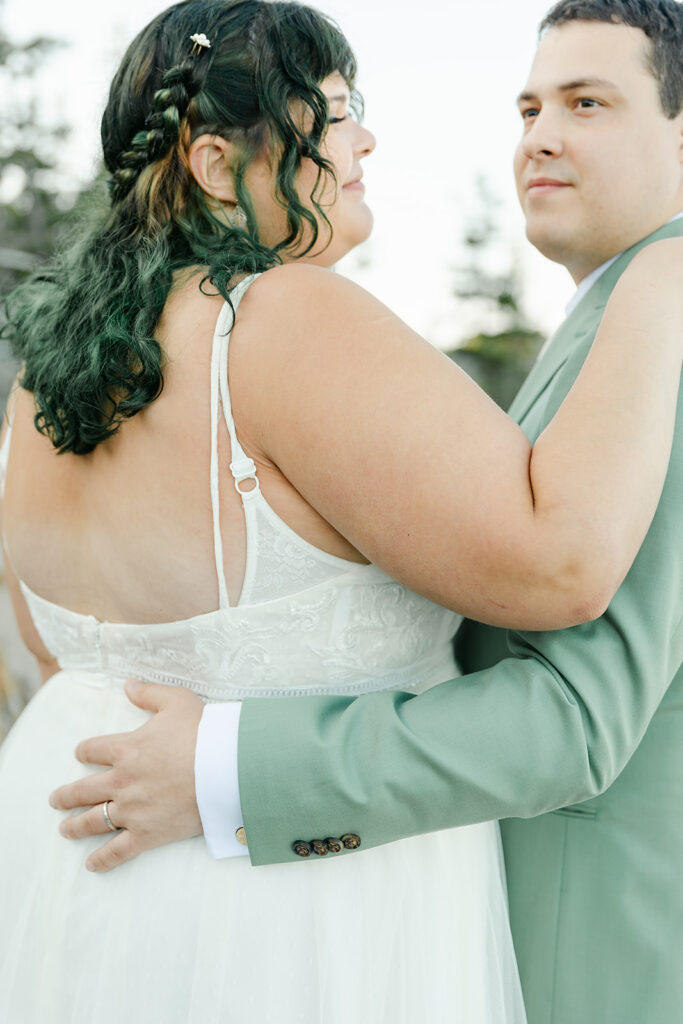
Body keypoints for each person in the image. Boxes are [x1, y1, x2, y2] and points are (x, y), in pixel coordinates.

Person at [1, 0, 681, 1021]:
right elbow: (557, 561)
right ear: (221, 165)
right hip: (299, 921)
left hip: (72, 878)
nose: (363, 136)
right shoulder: (280, 313)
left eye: (583, 103)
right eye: (331, 109)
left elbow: (62, 659)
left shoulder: (48, 382)